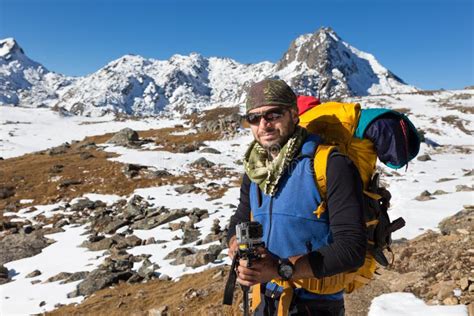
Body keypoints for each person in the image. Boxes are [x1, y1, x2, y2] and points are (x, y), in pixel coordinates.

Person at [227, 79, 367, 316]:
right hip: (264, 300)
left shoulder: (331, 165)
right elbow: (240, 217)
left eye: (273, 114)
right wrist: (234, 245)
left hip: (316, 306)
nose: (264, 125)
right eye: (254, 118)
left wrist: (281, 269)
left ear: (294, 114)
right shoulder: (254, 170)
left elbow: (351, 248)